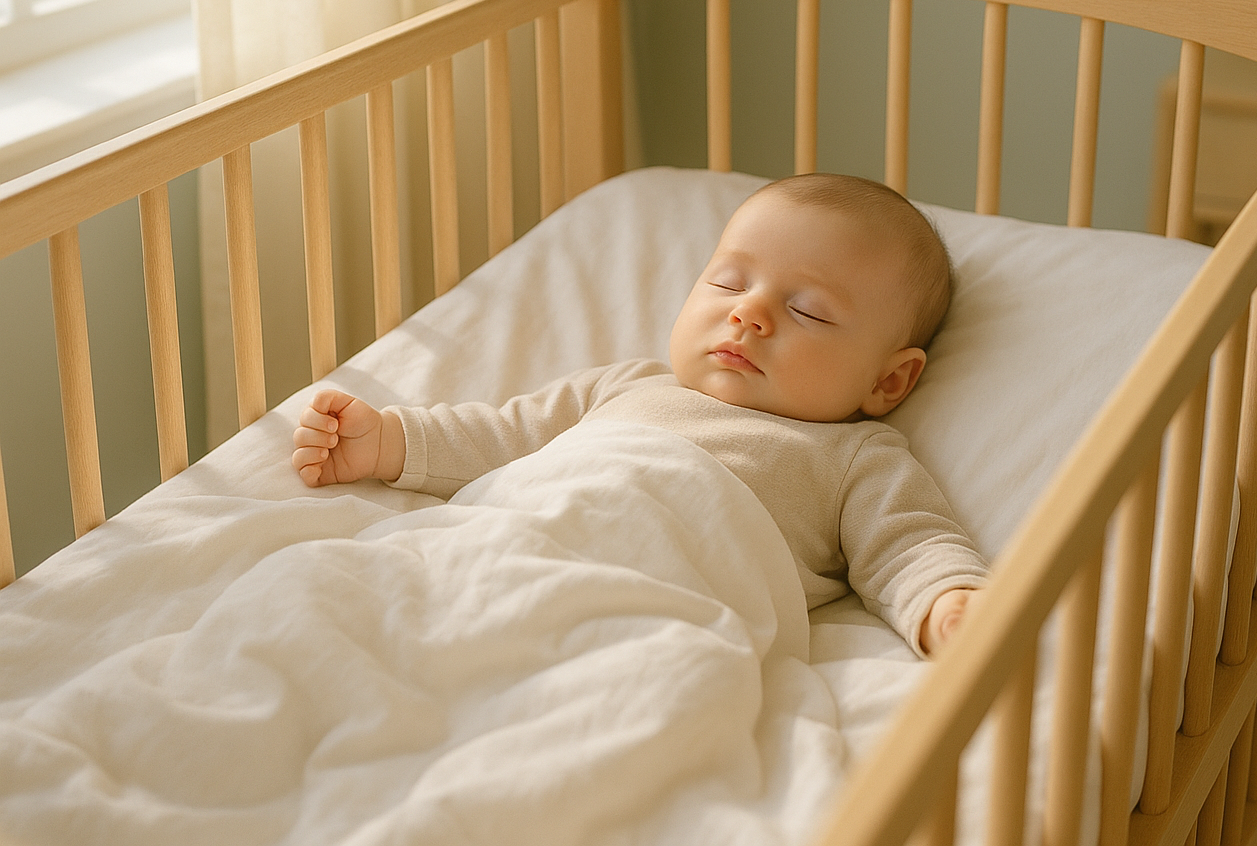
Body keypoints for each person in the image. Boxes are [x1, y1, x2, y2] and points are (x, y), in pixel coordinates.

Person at [292, 173, 988, 656]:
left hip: (661, 609)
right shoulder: (629, 385)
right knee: (337, 608)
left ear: (889, 380)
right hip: (506, 547)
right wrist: (386, 440)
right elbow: (502, 435)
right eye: (728, 282)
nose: (748, 312)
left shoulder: (853, 458)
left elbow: (911, 544)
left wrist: (948, 605)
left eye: (807, 310)